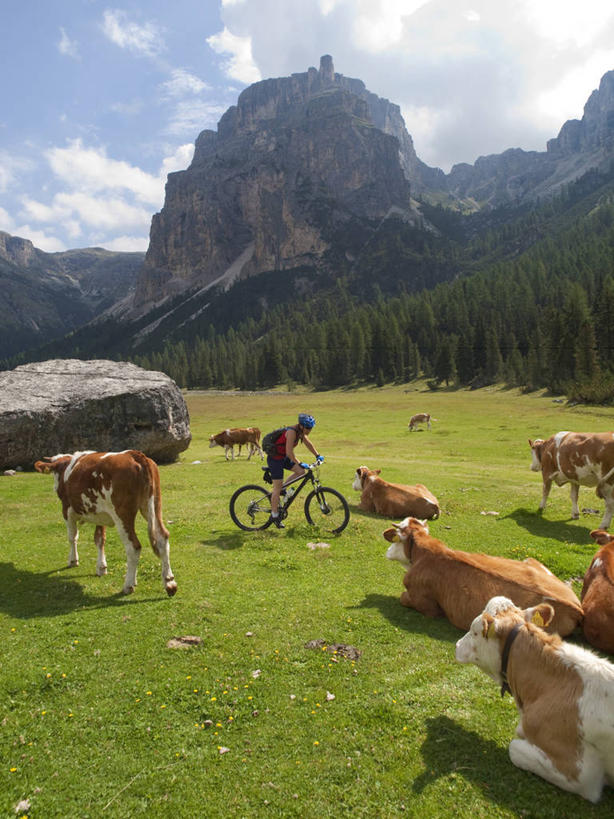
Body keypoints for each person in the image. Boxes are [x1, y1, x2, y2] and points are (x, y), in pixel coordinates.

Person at [267, 412, 324, 528]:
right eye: (307, 428)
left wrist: (317, 455)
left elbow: (308, 443)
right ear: (301, 426)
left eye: (311, 428)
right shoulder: (292, 432)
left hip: (283, 458)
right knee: (277, 488)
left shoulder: (300, 432)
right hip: (275, 459)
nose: (309, 430)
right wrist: (300, 462)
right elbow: (289, 452)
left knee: (300, 472)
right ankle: (274, 515)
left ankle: (283, 488)